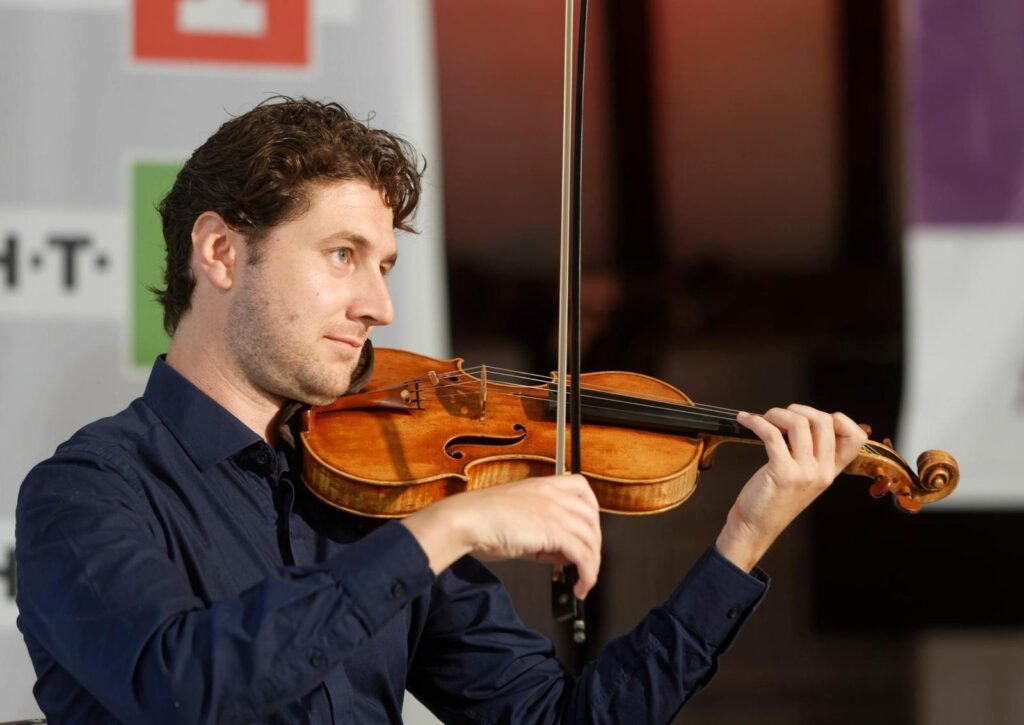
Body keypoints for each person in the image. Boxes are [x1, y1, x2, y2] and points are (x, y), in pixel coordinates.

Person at [15, 97, 868, 724]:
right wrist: (443, 530)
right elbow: (182, 688)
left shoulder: (379, 489)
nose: (379, 305)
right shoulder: (86, 490)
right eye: (342, 255)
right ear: (221, 252)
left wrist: (741, 541)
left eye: (383, 265)